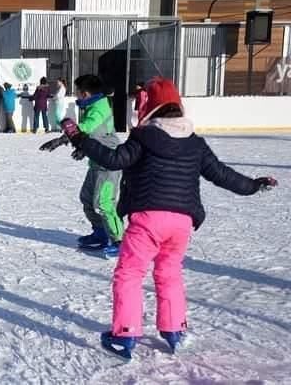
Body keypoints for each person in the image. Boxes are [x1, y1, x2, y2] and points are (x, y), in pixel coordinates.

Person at [58, 77, 278, 359]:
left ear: (147, 106)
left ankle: (125, 335)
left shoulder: (144, 137)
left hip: (148, 219)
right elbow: (222, 175)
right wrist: (254, 185)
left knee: (130, 274)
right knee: (169, 273)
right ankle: (174, 329)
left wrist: (78, 137)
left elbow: (114, 160)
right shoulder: (195, 143)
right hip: (182, 223)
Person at [68, 75, 124, 256]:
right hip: (96, 162)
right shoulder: (92, 105)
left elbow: (86, 127)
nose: (76, 94)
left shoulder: (97, 109)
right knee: (86, 198)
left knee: (104, 203)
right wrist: (84, 148)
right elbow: (95, 135)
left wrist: (65, 137)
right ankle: (100, 232)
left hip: (109, 164)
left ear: (84, 93)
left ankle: (120, 241)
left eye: (77, 91)